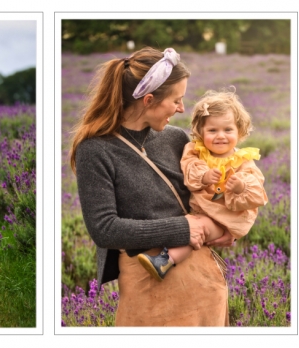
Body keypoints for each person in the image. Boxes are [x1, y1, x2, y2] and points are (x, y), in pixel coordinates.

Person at [70, 47, 234, 326]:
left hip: (204, 283)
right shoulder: (94, 150)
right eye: (176, 100)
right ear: (148, 100)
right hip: (149, 286)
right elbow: (104, 228)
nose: (182, 108)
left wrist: (228, 223)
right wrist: (183, 228)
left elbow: (204, 194)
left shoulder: (174, 138)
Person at [138, 88, 268, 280]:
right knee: (191, 225)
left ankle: (165, 261)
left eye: (228, 130)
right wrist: (205, 177)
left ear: (239, 130)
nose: (220, 136)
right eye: (212, 130)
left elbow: (257, 193)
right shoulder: (196, 152)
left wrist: (240, 187)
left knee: (198, 228)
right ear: (200, 131)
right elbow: (189, 172)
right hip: (199, 210)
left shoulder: (242, 161)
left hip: (222, 218)